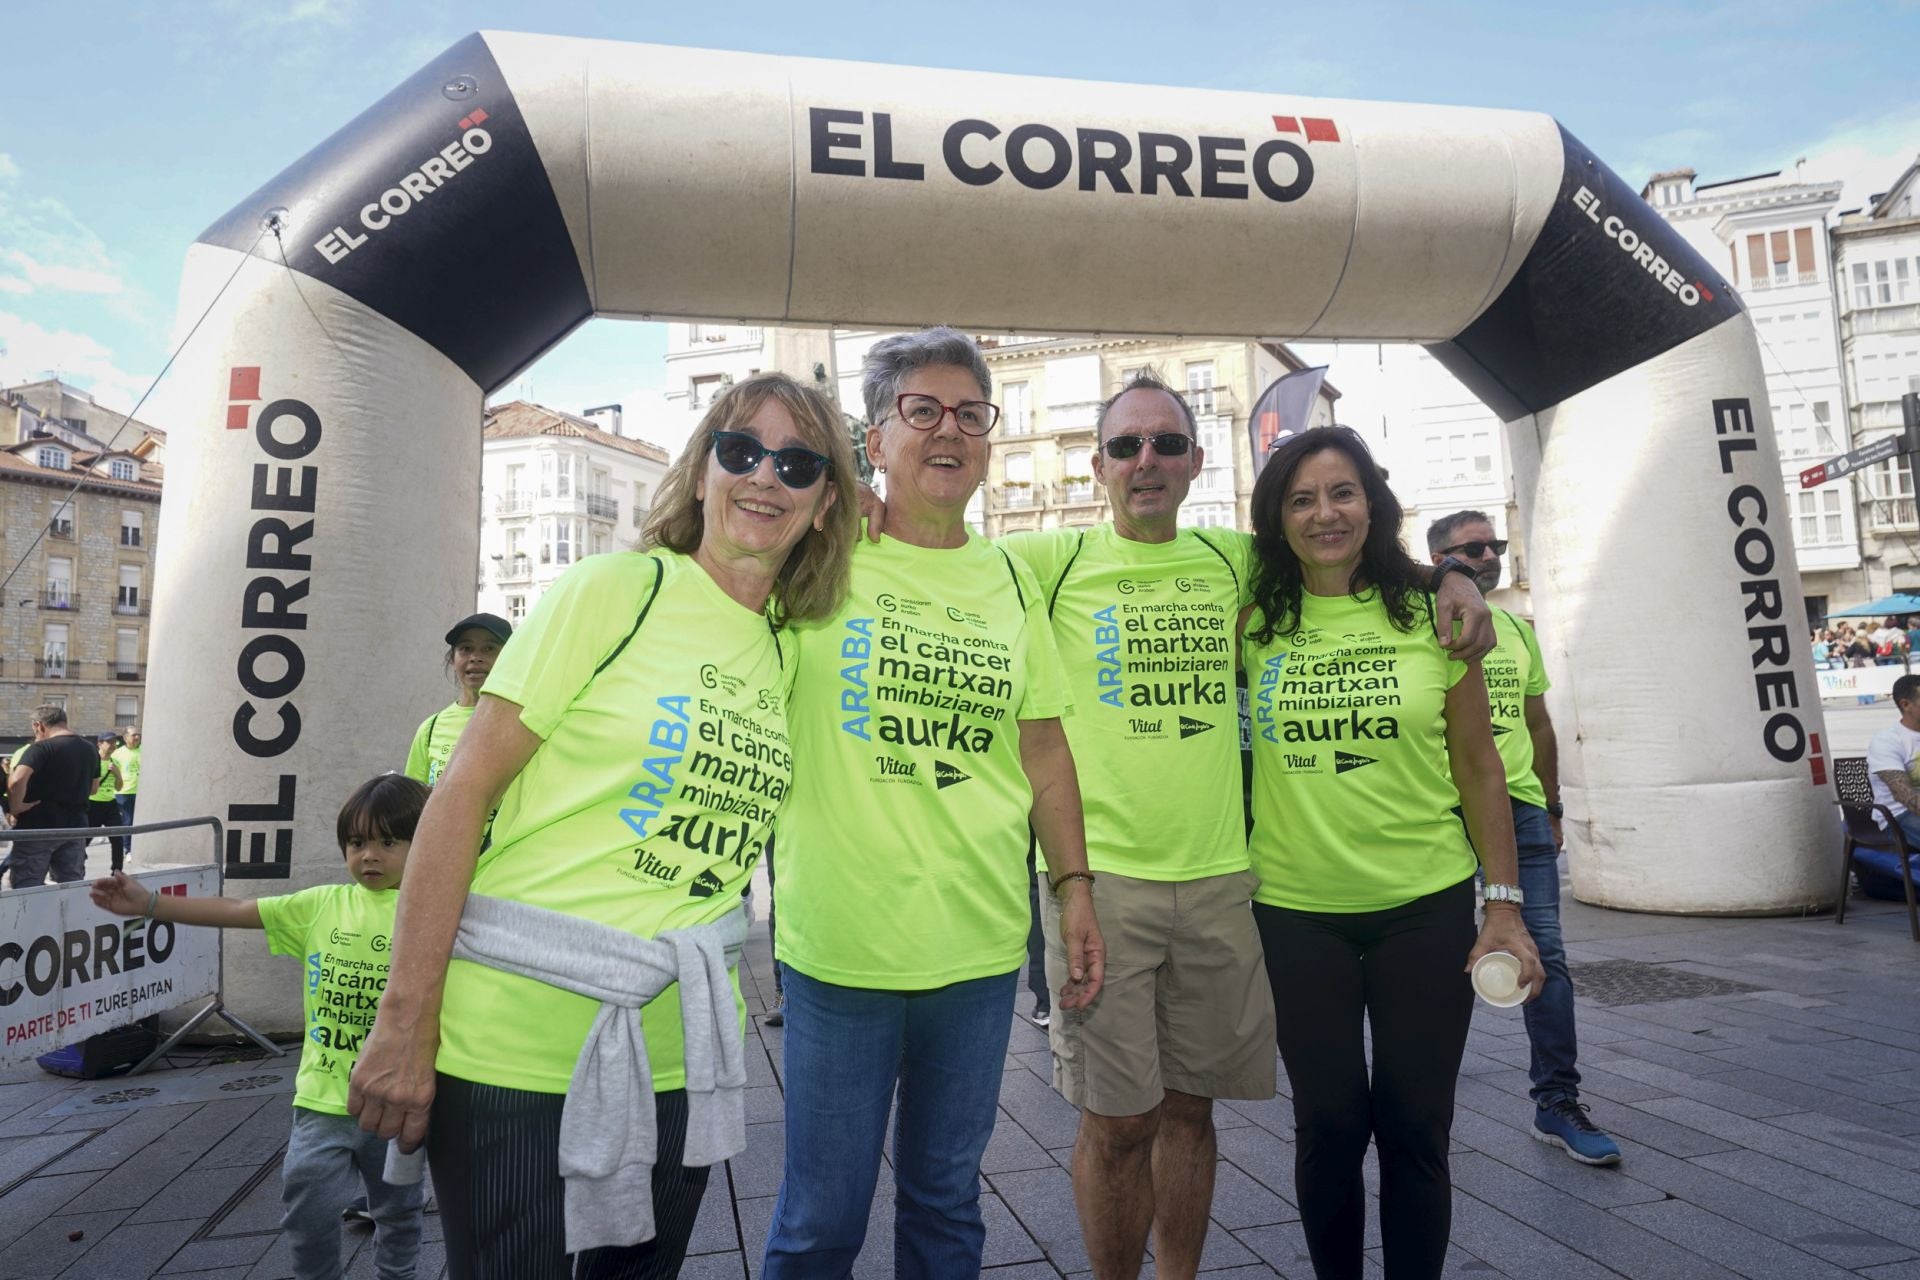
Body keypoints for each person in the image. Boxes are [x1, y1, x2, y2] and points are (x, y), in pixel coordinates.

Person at [858, 374, 1492, 1279]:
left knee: (1192, 1110)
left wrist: (1455, 576)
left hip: (1228, 884)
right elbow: (939, 545)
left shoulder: (1239, 561)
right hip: (1105, 883)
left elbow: (1352, 556)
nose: (1145, 461)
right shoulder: (1045, 563)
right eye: (1126, 446)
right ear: (1099, 464)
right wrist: (863, 509)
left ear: (1197, 462)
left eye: (1165, 444)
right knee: (1119, 1121)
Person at [350, 372, 856, 1279]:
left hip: (678, 1053)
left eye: (799, 463)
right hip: (516, 1044)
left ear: (825, 503)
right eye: (741, 451)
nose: (765, 478)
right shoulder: (615, 591)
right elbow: (458, 799)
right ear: (702, 471)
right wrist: (403, 1021)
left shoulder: (789, 647)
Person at [764, 328, 1105, 1278]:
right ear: (874, 440)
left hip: (979, 950)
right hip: (843, 950)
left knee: (948, 1208)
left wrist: (1073, 888)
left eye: (969, 413)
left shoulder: (1006, 579)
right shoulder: (817, 561)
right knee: (820, 1221)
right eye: (921, 411)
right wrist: (819, 504)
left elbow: (1042, 747)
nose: (947, 430)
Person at [1241, 428, 1542, 1280]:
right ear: (1278, 517)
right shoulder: (1253, 618)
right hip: (1297, 912)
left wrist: (1504, 906)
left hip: (1426, 906)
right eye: (1301, 499)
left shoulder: (1434, 615)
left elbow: (1482, 767)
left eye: (1341, 493)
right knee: (1328, 1125)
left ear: (1372, 502)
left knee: (1417, 1125)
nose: (1324, 513)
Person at [91, 773, 431, 1280]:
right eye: (357, 842)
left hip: (400, 1105)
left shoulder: (437, 913)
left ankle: (398, 1274)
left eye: (388, 841)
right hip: (324, 1099)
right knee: (307, 1203)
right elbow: (238, 909)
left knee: (399, 1209)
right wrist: (150, 904)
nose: (369, 856)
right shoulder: (322, 906)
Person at [1427, 510, 1621, 1167]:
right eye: (1470, 548)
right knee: (1430, 957)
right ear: (1441, 560)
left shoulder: (1513, 628)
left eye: (1493, 544)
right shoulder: (1422, 622)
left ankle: (1557, 1101)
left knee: (1546, 956)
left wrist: (1553, 802)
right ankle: (1421, 1090)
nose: (1488, 555)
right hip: (1441, 810)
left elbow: (1538, 724)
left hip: (1523, 812)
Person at [405, 614, 511, 785]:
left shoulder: (526, 720)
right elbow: (414, 803)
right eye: (466, 648)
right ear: (452, 660)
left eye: (489, 648)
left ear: (510, 657)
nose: (475, 657)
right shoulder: (429, 730)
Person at [6, 705, 101, 888]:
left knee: (27, 886)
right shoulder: (90, 749)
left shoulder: (41, 748)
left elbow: (16, 781)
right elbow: (94, 789)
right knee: (71, 884)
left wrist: (16, 806)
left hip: (38, 827)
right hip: (76, 827)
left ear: (39, 726)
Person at [89, 734, 127, 872]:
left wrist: (117, 774)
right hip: (93, 804)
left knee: (117, 839)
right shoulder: (92, 761)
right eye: (108, 742)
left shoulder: (115, 762)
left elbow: (119, 787)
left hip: (110, 804)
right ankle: (76, 866)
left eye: (114, 742)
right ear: (99, 744)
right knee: (84, 839)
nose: (112, 745)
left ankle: (117, 870)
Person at [111, 726, 141, 852]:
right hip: (124, 792)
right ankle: (127, 848)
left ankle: (139, 847)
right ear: (125, 737)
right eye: (134, 735)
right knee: (127, 821)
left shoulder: (146, 750)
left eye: (138, 734)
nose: (137, 737)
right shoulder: (117, 754)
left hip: (141, 792)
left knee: (141, 821)